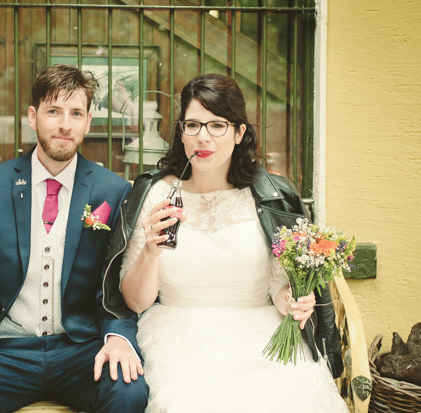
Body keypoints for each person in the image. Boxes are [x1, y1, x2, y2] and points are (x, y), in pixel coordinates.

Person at [0, 64, 149, 413]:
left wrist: (118, 337)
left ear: (88, 122)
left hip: (79, 350)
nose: (65, 124)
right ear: (33, 117)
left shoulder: (113, 190)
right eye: (54, 111)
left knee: (128, 392)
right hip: (4, 353)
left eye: (76, 113)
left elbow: (113, 285)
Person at [100, 74, 348, 412]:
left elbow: (278, 285)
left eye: (217, 125)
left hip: (261, 334)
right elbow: (135, 301)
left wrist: (292, 301)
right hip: (177, 335)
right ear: (181, 131)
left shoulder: (269, 196)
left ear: (239, 132)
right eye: (192, 125)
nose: (203, 137)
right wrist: (150, 251)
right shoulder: (155, 193)